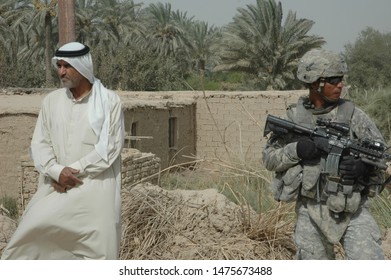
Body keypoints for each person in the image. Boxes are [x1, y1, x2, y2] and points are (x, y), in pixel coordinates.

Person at [1, 42, 125, 259]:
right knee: (25, 246)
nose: (61, 72)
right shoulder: (52, 101)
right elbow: (40, 144)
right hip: (55, 188)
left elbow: (109, 148)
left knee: (98, 256)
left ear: (83, 67)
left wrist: (72, 171)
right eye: (59, 65)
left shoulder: (109, 102)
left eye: (67, 66)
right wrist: (57, 172)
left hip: (94, 194)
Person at [262, 48, 386, 260]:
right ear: (313, 83)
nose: (341, 85)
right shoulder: (293, 119)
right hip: (310, 211)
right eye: (333, 80)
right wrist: (297, 150)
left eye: (341, 79)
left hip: (352, 209)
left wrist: (364, 168)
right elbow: (269, 159)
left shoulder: (354, 116)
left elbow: (383, 156)